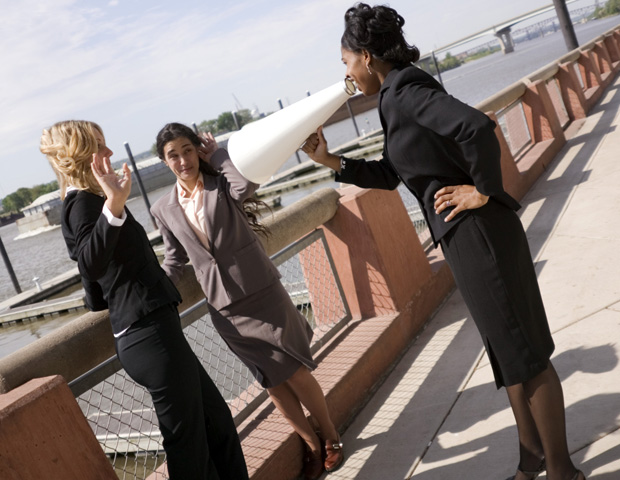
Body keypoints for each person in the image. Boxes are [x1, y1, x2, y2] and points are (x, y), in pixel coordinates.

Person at [301, 4, 585, 480]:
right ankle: (531, 459)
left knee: (526, 353)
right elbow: (392, 173)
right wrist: (331, 161)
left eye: (346, 62)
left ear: (366, 56)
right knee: (507, 350)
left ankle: (563, 472)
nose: (346, 73)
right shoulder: (396, 94)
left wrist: (483, 190)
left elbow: (477, 126)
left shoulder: (405, 91)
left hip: (480, 233)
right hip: (467, 237)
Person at [40, 120, 249, 480]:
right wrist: (114, 205)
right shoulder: (83, 204)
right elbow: (90, 263)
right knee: (188, 445)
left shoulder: (88, 202)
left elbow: (95, 293)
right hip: (149, 336)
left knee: (216, 423)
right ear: (81, 155)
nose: (109, 152)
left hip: (152, 332)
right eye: (100, 146)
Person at [150, 122, 344, 480]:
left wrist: (218, 155)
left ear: (197, 151)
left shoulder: (221, 183)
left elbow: (245, 186)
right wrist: (153, 289)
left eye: (187, 150)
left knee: (294, 371)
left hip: (261, 292)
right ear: (164, 162)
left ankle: (331, 436)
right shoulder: (163, 208)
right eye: (173, 155)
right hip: (224, 307)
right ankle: (312, 447)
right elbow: (175, 259)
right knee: (272, 381)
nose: (182, 160)